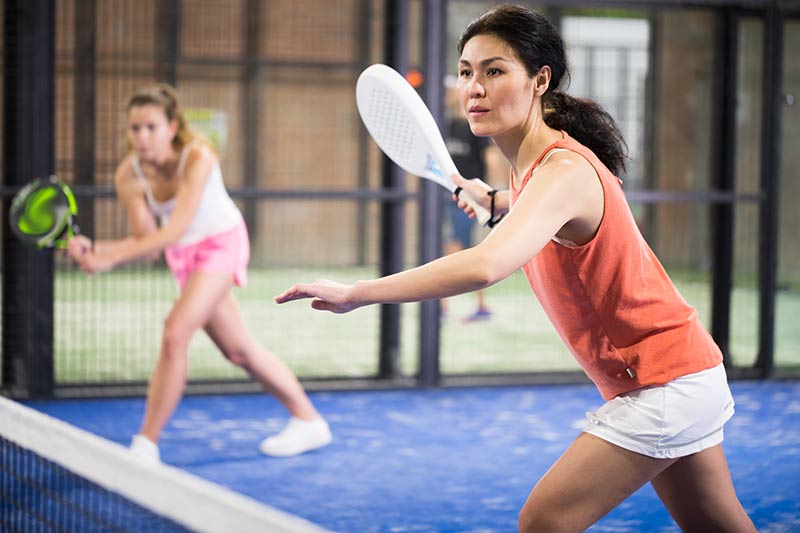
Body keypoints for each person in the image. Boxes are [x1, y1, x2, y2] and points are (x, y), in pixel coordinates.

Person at [275, 5, 757, 532]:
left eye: (495, 71)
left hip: (662, 381)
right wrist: (493, 200)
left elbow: (486, 265)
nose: (474, 88)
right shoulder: (537, 168)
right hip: (681, 371)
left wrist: (359, 292)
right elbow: (534, 207)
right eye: (466, 72)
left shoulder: (562, 170)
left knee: (543, 521)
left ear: (539, 80)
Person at [67, 83, 332, 462]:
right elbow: (147, 242)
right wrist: (96, 249)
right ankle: (309, 421)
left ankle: (145, 446)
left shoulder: (199, 156)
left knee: (175, 333)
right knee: (238, 350)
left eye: (151, 127)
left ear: (172, 127)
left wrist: (107, 257)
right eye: (135, 128)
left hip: (222, 243)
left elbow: (172, 230)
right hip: (184, 257)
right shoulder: (129, 175)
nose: (142, 136)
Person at [441, 75, 500, 322]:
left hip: (470, 199)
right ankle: (481, 306)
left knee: (454, 248)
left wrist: (494, 194)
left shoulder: (475, 127)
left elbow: (491, 158)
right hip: (448, 198)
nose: (447, 96)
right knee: (461, 250)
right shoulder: (445, 126)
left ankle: (442, 306)